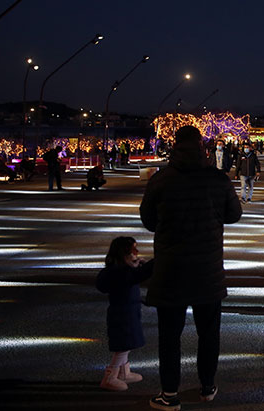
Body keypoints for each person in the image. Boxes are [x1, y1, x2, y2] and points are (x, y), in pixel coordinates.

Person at [140, 125, 242, 409]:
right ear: (202, 146)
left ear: (175, 145)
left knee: (169, 336)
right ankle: (207, 387)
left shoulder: (161, 180)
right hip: (207, 270)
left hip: (170, 269)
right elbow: (235, 214)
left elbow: (148, 221)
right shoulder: (217, 178)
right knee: (208, 333)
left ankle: (169, 394)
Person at [96, 236, 154, 391]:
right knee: (123, 346)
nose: (136, 252)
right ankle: (110, 377)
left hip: (127, 312)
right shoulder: (122, 273)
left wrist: (136, 265)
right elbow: (141, 274)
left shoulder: (119, 270)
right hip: (123, 314)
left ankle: (123, 372)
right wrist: (155, 261)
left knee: (127, 344)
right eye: (132, 250)